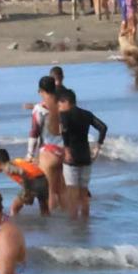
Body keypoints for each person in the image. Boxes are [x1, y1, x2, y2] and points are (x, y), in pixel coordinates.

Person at [51, 87, 107, 216]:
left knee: (72, 195)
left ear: (66, 101)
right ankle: (85, 225)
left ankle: (75, 228)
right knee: (84, 195)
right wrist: (98, 147)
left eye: (60, 104)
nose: (59, 107)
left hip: (71, 159)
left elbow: (64, 130)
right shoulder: (87, 114)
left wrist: (67, 150)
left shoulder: (64, 115)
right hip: (86, 158)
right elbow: (103, 128)